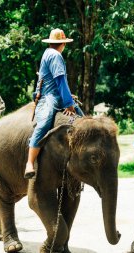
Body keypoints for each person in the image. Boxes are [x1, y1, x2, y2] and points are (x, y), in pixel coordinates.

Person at [24, 28, 84, 179]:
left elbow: (61, 84)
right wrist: (69, 104)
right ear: (63, 43)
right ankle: (29, 163)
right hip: (49, 97)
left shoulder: (48, 53)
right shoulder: (55, 55)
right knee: (44, 123)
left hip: (58, 95)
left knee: (84, 121)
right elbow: (60, 81)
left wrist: (69, 100)